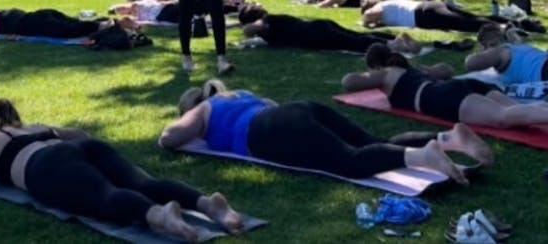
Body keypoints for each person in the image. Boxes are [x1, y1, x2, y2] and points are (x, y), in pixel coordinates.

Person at [0, 98, 243, 243]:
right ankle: (207, 205)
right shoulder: (40, 127)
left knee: (104, 197)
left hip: (45, 166)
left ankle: (159, 216)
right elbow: (82, 136)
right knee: (145, 182)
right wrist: (52, 133)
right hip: (78, 149)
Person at [160, 80, 489, 183]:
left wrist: (188, 122)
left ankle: (421, 155)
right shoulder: (240, 94)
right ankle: (448, 139)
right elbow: (273, 102)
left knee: (348, 161)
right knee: (372, 143)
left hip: (268, 130)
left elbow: (170, 138)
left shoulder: (205, 108)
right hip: (298, 109)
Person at [340, 44, 548, 131]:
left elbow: (348, 82)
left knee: (505, 118)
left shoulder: (386, 73)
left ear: (376, 65)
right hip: (461, 86)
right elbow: (446, 69)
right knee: (517, 110)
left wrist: (370, 76)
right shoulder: (413, 70)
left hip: (444, 99)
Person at [235, 3, 421, 55]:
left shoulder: (267, 22)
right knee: (356, 36)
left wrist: (245, 26)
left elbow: (249, 30)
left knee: (354, 43)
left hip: (316, 35)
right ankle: (393, 38)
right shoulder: (271, 24)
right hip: (318, 27)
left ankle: (392, 43)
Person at [0, 0, 131, 40]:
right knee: (74, 24)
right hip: (42, 14)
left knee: (71, 31)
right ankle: (108, 22)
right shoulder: (0, 14)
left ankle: (110, 24)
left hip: (37, 23)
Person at [361, 0, 494, 33]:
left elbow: (370, 14)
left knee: (466, 24)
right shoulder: (390, 5)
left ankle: (502, 27)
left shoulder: (380, 7)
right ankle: (507, 22)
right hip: (430, 7)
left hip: (424, 14)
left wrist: (365, 22)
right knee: (472, 17)